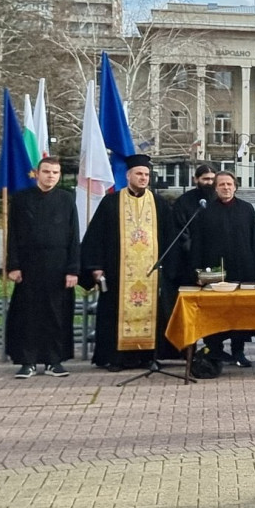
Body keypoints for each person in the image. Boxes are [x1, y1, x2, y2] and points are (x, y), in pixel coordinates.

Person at [81, 155, 184, 370]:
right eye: (139, 174)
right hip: (118, 272)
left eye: (146, 174)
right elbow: (96, 236)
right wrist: (96, 268)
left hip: (151, 274)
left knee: (152, 315)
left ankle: (147, 356)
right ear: (128, 176)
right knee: (114, 315)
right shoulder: (111, 202)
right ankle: (117, 358)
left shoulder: (159, 204)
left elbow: (171, 238)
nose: (143, 178)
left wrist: (169, 270)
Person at [6, 157, 80, 378]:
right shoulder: (21, 200)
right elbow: (13, 236)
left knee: (57, 314)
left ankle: (53, 361)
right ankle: (27, 361)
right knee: (28, 314)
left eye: (55, 173)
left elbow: (73, 236)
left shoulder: (67, 200)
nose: (51, 176)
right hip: (29, 266)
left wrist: (73, 269)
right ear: (37, 173)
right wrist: (14, 265)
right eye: (46, 172)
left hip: (58, 267)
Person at [190, 171, 255, 366]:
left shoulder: (246, 209)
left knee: (240, 314)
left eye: (229, 184)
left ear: (235, 187)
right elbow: (198, 243)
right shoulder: (206, 210)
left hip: (243, 269)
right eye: (222, 184)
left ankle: (238, 351)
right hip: (215, 272)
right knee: (215, 313)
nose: (226, 188)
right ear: (215, 188)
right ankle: (215, 349)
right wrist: (197, 272)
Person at [173, 164, 216, 229]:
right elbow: (179, 227)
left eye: (213, 179)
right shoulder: (184, 201)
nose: (210, 182)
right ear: (196, 179)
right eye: (206, 179)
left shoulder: (220, 199)